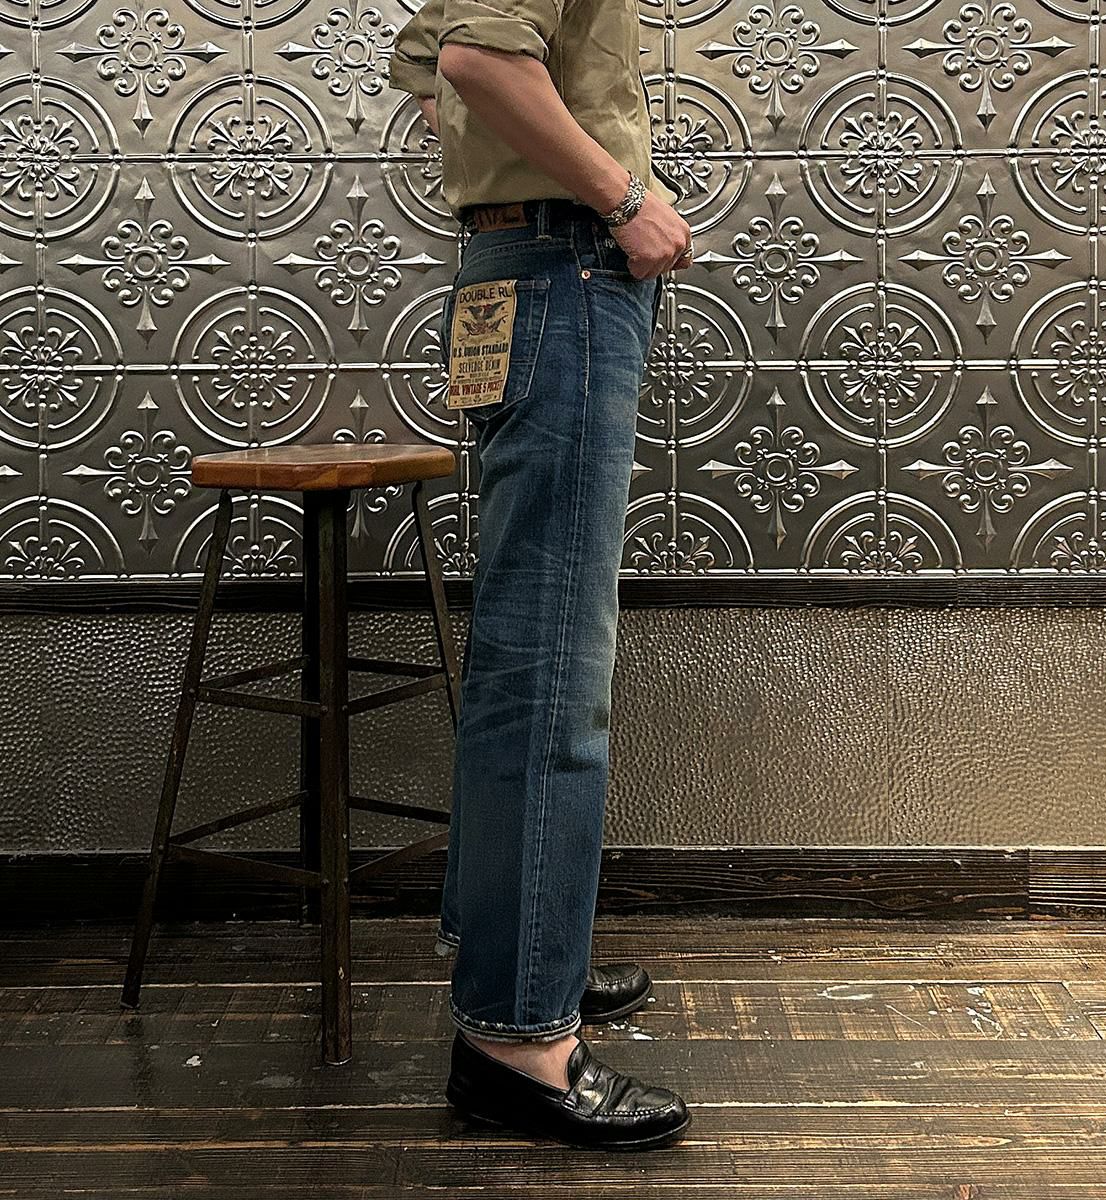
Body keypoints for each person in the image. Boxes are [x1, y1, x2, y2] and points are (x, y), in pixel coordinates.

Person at [387, 0, 695, 1152]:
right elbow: (475, 60)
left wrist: (508, 171)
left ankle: (512, 946)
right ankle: (517, 1036)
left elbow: (430, 61)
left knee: (527, 640)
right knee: (553, 659)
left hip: (518, 268)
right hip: (565, 267)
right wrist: (624, 199)